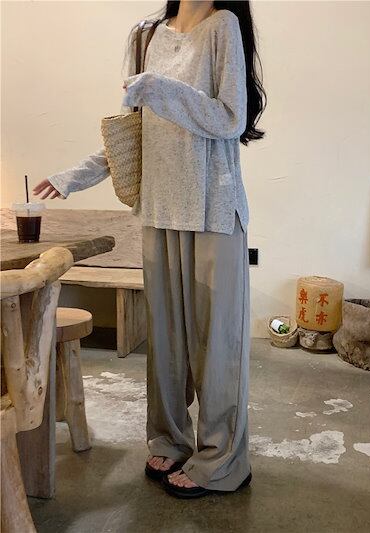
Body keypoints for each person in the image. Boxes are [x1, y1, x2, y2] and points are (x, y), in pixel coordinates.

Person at [33, 0, 266, 499]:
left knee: (217, 345)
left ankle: (223, 462)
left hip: (212, 209)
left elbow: (230, 118)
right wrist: (73, 177)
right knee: (165, 343)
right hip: (159, 209)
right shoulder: (146, 35)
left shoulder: (223, 27)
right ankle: (168, 439)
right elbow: (132, 132)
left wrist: (162, 88)